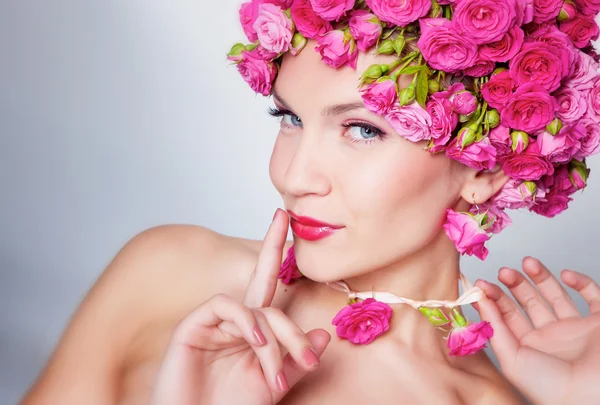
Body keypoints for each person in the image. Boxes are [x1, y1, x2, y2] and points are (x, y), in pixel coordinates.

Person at [21, 0, 600, 404]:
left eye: (363, 130)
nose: (295, 175)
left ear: (487, 169)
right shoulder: (173, 271)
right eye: (290, 118)